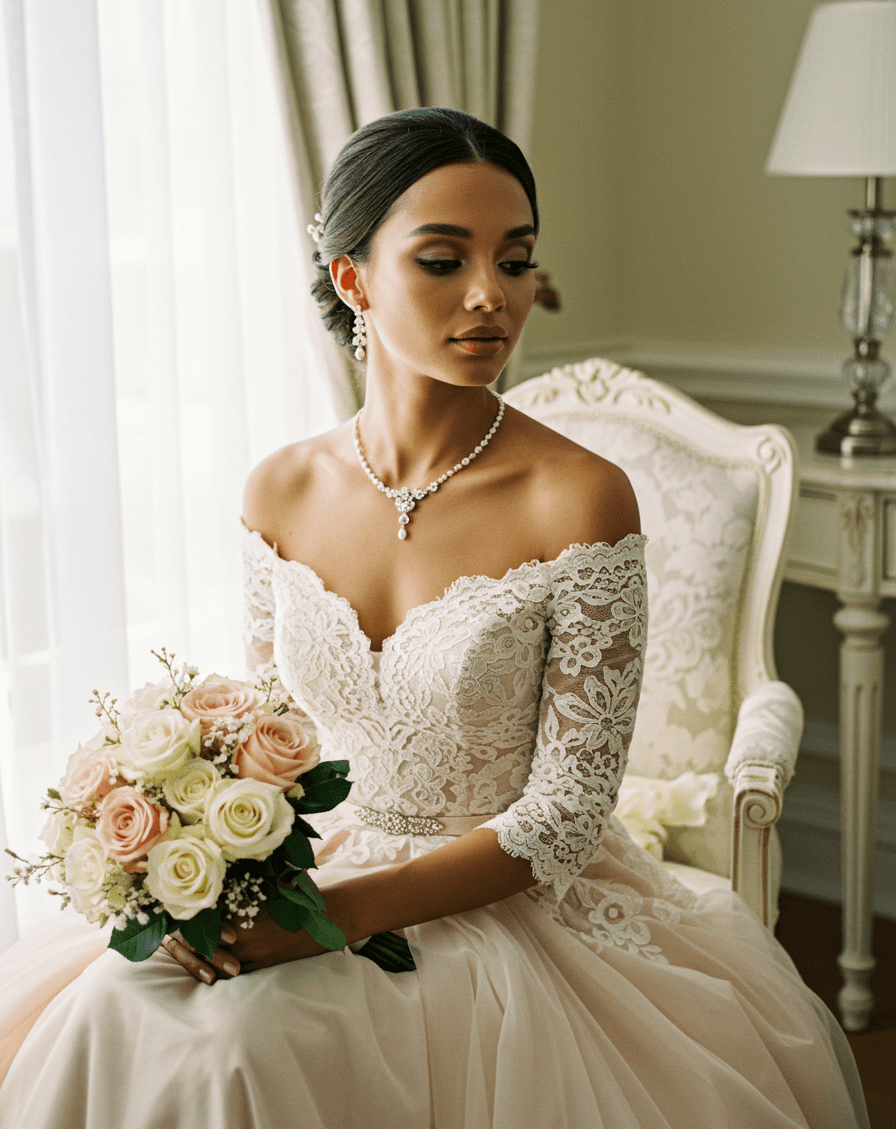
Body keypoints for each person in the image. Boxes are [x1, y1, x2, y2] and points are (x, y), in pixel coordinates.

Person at [0, 108, 868, 1127]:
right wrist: (216, 871)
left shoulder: (578, 497)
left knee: (236, 1052)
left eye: (516, 260)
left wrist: (332, 919)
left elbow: (566, 811)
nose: (491, 294)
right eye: (444, 260)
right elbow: (275, 743)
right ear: (352, 279)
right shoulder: (279, 488)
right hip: (317, 868)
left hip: (507, 903)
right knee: (120, 1006)